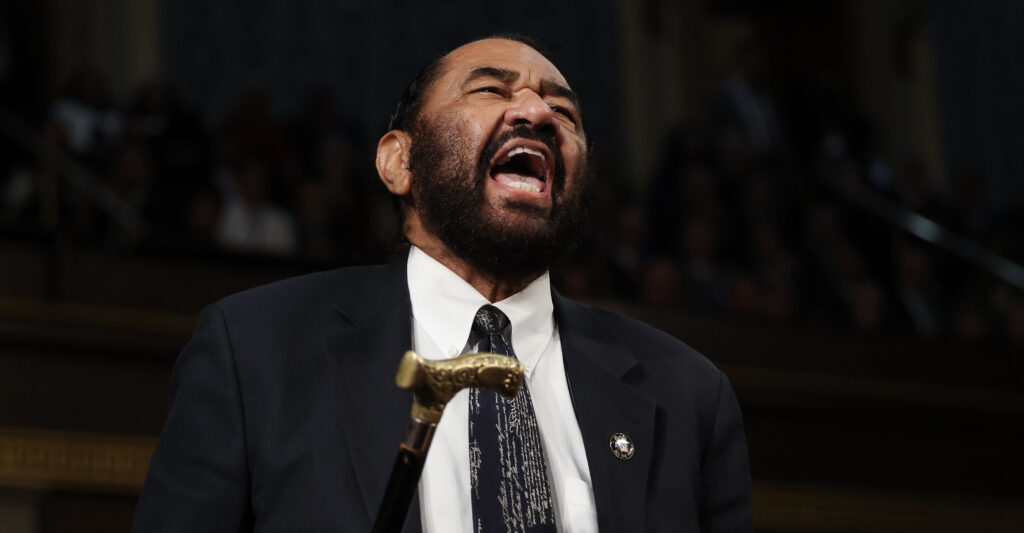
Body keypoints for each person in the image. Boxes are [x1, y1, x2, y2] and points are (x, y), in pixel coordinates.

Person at [133, 35, 752, 533]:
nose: (538, 113)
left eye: (564, 112)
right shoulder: (256, 352)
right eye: (490, 90)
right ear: (398, 161)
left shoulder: (688, 394)